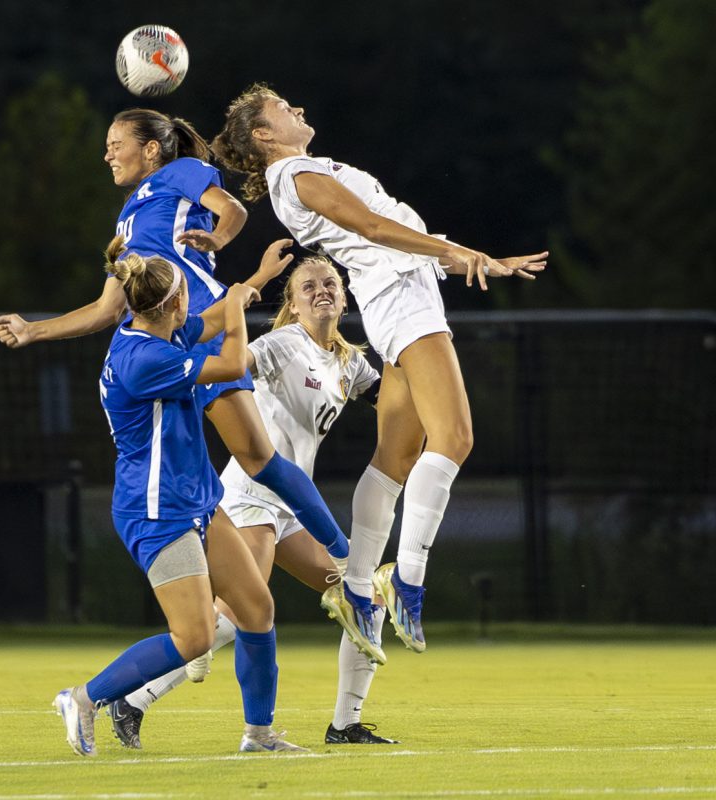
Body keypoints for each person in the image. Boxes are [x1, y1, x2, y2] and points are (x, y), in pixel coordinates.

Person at [209, 84, 547, 657]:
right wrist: (460, 255)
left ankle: (361, 587)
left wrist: (473, 255)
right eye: (284, 109)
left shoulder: (304, 170)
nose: (299, 109)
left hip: (398, 293)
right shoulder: (294, 176)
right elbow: (371, 228)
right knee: (456, 438)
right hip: (399, 297)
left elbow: (384, 229)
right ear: (264, 134)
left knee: (395, 458)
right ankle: (407, 579)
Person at [0, 109, 351, 572]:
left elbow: (233, 209)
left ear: (151, 149)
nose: (107, 154)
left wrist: (218, 241)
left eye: (115, 143)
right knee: (211, 462)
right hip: (168, 340)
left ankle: (348, 561)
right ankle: (219, 576)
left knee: (258, 458)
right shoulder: (126, 221)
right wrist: (33, 330)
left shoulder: (179, 172)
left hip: (203, 325)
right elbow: (107, 310)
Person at [106, 255, 401, 749]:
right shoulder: (283, 345)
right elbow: (232, 366)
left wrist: (418, 367)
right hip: (250, 496)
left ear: (346, 296)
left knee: (364, 599)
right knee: (237, 614)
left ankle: (345, 724)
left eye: (331, 282)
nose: (321, 290)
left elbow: (394, 397)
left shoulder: (350, 363)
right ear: (292, 302)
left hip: (288, 508)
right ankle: (134, 699)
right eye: (308, 285)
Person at [53, 237, 306, 756]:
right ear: (174, 303)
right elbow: (233, 360)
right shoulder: (146, 359)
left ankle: (258, 736)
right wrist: (236, 308)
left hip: (196, 501)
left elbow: (210, 322)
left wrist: (252, 282)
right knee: (193, 637)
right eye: (188, 290)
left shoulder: (154, 331)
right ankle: (83, 698)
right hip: (158, 511)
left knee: (256, 609)